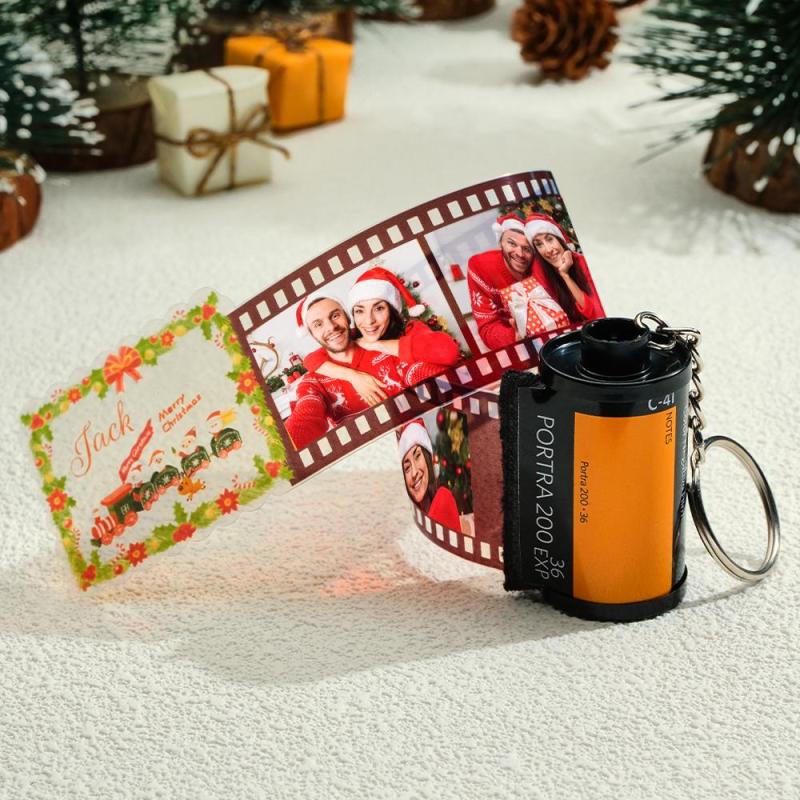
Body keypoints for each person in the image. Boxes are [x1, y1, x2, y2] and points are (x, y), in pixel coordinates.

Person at [285, 292, 445, 450]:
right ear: (312, 334)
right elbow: (305, 416)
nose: (331, 327)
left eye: (335, 316)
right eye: (318, 324)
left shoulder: (384, 345)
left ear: (348, 317)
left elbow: (428, 375)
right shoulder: (313, 382)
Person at [301, 267, 461, 407]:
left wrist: (379, 345)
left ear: (391, 310)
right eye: (360, 311)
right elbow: (311, 360)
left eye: (378, 308)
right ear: (352, 316)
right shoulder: (354, 336)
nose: (369, 320)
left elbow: (449, 353)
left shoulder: (410, 330)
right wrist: (352, 376)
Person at [467, 212, 565, 349]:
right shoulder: (481, 266)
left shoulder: (542, 266)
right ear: (500, 243)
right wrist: (514, 335)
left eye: (527, 248)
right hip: (517, 345)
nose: (520, 253)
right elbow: (487, 328)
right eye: (512, 243)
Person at [524, 213, 604, 323]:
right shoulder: (543, 275)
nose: (548, 250)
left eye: (550, 239)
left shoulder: (583, 262)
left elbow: (598, 314)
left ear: (560, 240)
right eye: (539, 245)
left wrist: (565, 275)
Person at [398, 420, 461, 533]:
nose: (414, 473)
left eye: (417, 456)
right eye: (407, 468)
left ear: (427, 458)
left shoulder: (443, 498)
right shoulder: (412, 515)